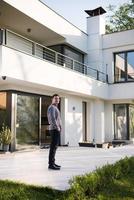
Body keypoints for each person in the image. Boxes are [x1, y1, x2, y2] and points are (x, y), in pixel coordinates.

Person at [47, 94, 62, 170]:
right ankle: (51, 164)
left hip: (56, 129)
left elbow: (58, 119)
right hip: (54, 129)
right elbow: (52, 119)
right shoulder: (52, 107)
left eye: (58, 99)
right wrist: (57, 127)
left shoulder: (55, 108)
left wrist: (60, 127)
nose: (57, 100)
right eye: (55, 98)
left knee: (54, 147)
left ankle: (52, 162)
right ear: (52, 99)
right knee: (53, 147)